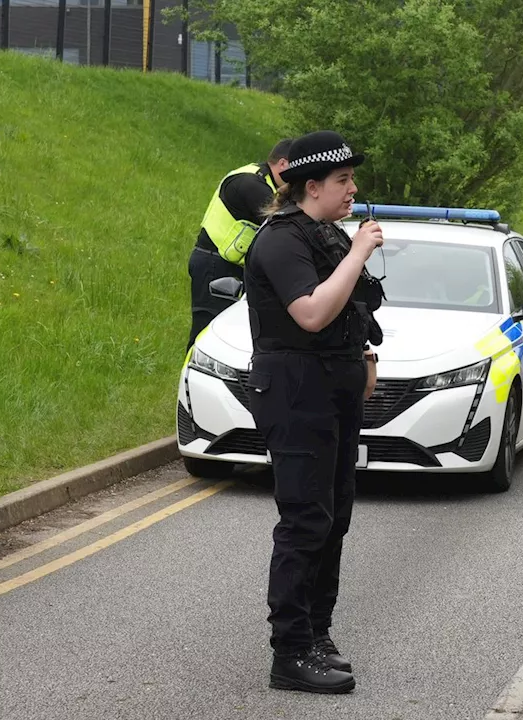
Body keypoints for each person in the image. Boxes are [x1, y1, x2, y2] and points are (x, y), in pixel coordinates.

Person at [241, 130, 386, 695]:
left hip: (334, 384)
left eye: (351, 179)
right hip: (296, 388)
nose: (354, 189)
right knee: (305, 520)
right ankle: (290, 651)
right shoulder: (281, 240)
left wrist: (365, 355)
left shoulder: (322, 233)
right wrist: (357, 252)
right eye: (344, 181)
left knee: (335, 514)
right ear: (310, 186)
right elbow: (310, 313)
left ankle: (317, 633)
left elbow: (349, 310)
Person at [187, 139, 292, 350]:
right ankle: (195, 375)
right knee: (208, 331)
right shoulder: (250, 183)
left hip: (228, 264)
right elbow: (283, 223)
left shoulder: (265, 181)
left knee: (231, 333)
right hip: (214, 263)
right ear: (282, 164)